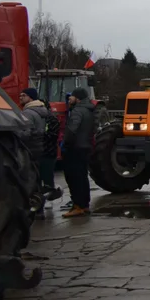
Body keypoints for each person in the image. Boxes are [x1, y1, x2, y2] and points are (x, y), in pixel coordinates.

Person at [17, 87, 63, 202]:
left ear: (30, 97)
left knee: (32, 180)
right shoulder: (44, 111)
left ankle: (36, 206)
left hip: (32, 149)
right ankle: (43, 200)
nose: (20, 97)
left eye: (23, 95)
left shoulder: (28, 113)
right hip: (44, 149)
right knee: (43, 178)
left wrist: (13, 134)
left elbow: (26, 133)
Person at [61, 87, 96, 217]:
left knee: (74, 177)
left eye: (72, 97)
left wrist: (65, 143)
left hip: (75, 148)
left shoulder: (77, 111)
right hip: (85, 146)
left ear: (78, 98)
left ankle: (78, 205)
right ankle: (84, 205)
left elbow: (71, 130)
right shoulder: (89, 110)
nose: (69, 99)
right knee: (82, 177)